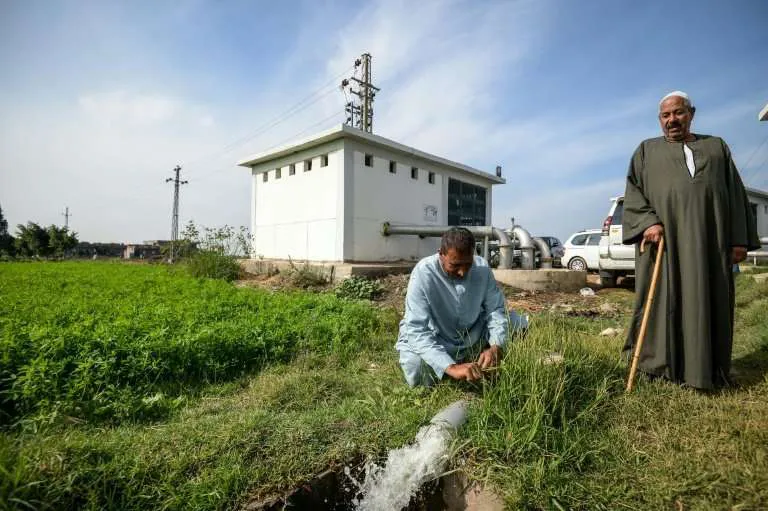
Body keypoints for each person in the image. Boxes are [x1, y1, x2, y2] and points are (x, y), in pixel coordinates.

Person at [622, 91, 760, 389]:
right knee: (660, 301)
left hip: (710, 244)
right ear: (660, 120)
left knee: (709, 299)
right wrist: (648, 222)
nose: (672, 120)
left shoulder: (716, 147)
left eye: (678, 113)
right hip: (665, 245)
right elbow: (633, 193)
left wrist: (738, 240)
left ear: (691, 113)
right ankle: (657, 367)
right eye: (665, 115)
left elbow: (735, 194)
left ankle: (707, 370)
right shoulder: (646, 151)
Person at [395, 227, 527, 387]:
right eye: (455, 265)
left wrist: (496, 345)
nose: (463, 272)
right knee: (416, 367)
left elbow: (495, 310)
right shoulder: (423, 273)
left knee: (518, 323)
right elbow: (416, 329)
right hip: (438, 337)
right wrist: (451, 367)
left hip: (472, 333)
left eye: (468, 264)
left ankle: (477, 355)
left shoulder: (482, 269)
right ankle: (452, 365)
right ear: (441, 254)